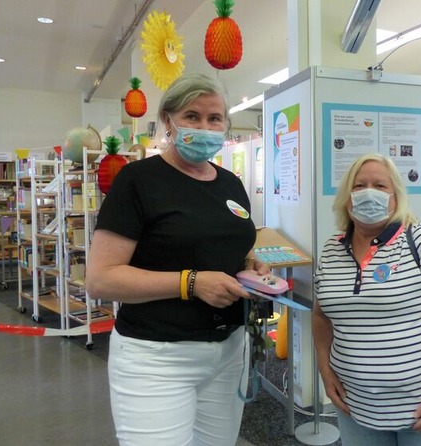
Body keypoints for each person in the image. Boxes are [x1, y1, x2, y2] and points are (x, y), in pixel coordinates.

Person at [86, 72, 269, 446]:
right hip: (157, 357)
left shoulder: (230, 183)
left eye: (214, 119)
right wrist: (192, 282)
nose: (204, 127)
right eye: (192, 116)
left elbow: (231, 244)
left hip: (229, 350)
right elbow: (101, 279)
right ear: (168, 120)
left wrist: (250, 265)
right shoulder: (137, 181)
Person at [312, 153, 421, 446]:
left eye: (379, 186)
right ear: (347, 196)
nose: (368, 193)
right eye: (359, 185)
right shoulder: (330, 250)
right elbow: (321, 315)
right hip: (357, 409)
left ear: (395, 197)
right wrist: (325, 372)